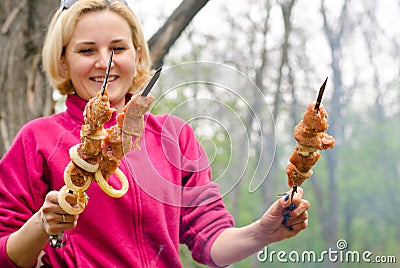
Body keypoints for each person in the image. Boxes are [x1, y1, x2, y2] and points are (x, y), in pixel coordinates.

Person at [0, 0, 310, 267]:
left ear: (136, 58)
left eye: (117, 48)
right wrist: (42, 224)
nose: (104, 62)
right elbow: (6, 254)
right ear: (63, 62)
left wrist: (261, 233)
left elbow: (211, 240)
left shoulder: (175, 138)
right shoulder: (37, 140)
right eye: (86, 50)